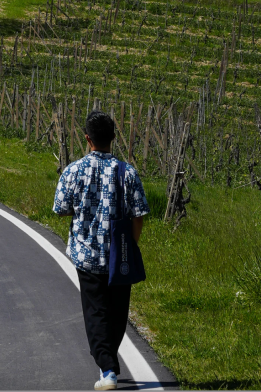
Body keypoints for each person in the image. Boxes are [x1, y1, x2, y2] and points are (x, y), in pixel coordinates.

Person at [53, 110, 149, 390]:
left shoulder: (74, 170)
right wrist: (131, 245)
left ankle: (107, 368)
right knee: (118, 312)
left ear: (87, 139)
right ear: (113, 138)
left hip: (87, 254)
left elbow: (60, 209)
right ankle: (109, 362)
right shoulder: (127, 172)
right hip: (120, 255)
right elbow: (139, 213)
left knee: (95, 310)